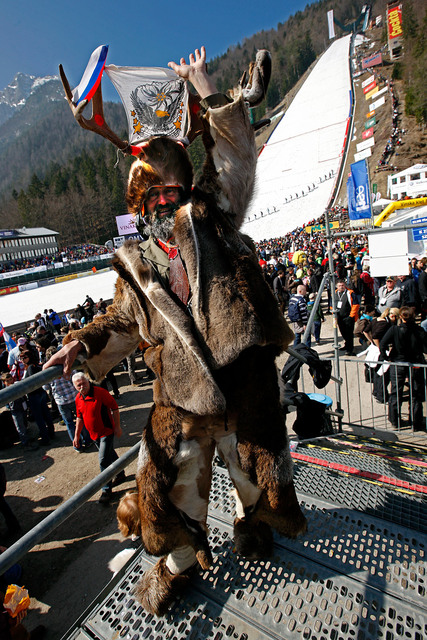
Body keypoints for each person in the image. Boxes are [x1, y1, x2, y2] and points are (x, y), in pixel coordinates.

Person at [45, 46, 305, 615]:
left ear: (187, 186)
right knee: (176, 486)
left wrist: (208, 90)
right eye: (153, 192)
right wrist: (82, 344)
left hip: (241, 388)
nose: (165, 198)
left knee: (251, 473)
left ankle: (252, 526)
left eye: (173, 187)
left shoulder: (212, 212)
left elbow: (235, 161)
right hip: (181, 400)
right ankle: (183, 559)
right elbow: (120, 322)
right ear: (140, 201)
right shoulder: (134, 262)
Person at [72, 372, 125, 503]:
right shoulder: (78, 399)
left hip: (106, 432)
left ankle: (106, 490)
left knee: (103, 460)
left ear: (88, 381)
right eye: (78, 385)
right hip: (93, 435)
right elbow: (79, 417)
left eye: (84, 383)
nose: (82, 387)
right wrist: (76, 436)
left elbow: (114, 408)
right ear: (74, 386)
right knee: (109, 454)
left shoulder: (100, 392)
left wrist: (117, 426)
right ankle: (120, 474)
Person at [380, 306, 427, 430]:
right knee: (415, 393)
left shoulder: (394, 329)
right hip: (415, 363)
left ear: (401, 317)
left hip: (398, 363)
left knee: (396, 392)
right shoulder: (419, 330)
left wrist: (386, 357)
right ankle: (416, 422)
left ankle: (395, 420)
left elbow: (383, 343)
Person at [43, 347, 92, 451]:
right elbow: (76, 378)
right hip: (74, 397)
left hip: (61, 401)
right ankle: (88, 441)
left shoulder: (47, 371)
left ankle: (77, 445)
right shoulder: (68, 364)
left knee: (69, 423)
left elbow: (46, 387)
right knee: (81, 420)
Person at [20, 349, 55, 445]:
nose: (22, 360)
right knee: (46, 414)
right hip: (41, 393)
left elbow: (32, 381)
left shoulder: (31, 367)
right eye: (21, 358)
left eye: (24, 358)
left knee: (39, 418)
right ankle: (51, 433)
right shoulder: (36, 365)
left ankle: (45, 437)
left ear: (29, 357)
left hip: (34, 395)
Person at [1, 373, 38, 451]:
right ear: (4, 382)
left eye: (10, 379)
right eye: (7, 381)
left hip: (22, 407)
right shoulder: (5, 391)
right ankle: (25, 443)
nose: (10, 382)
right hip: (15, 410)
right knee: (20, 427)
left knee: (24, 424)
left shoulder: (16, 385)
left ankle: (27, 439)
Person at [335, 279, 359, 356]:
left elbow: (356, 304)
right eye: (339, 285)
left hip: (348, 317)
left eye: (342, 285)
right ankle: (346, 345)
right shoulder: (335, 293)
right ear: (337, 286)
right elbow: (332, 303)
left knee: (349, 334)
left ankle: (350, 349)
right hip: (339, 317)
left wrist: (351, 316)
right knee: (343, 332)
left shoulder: (350, 293)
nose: (341, 287)